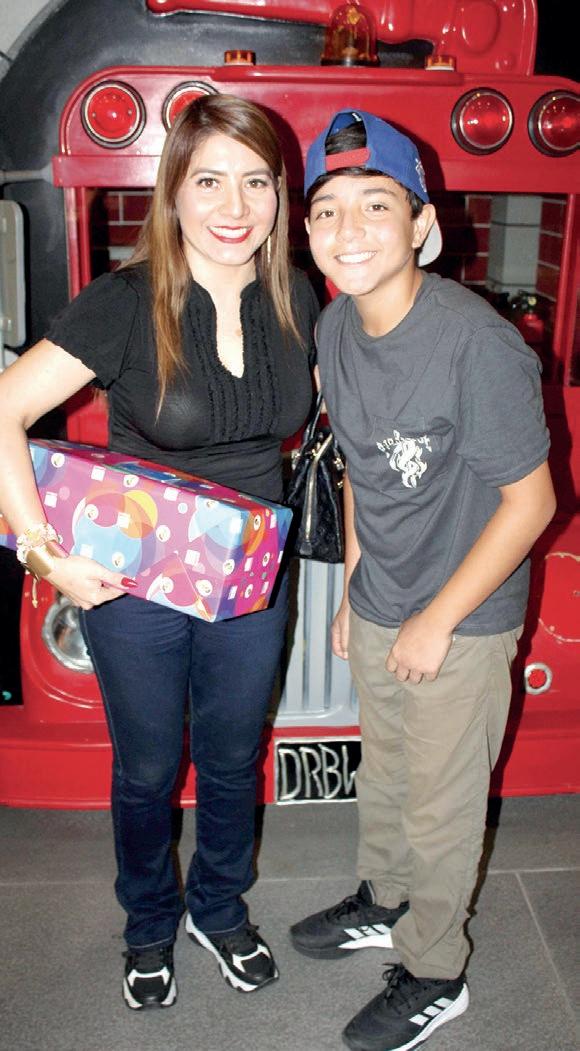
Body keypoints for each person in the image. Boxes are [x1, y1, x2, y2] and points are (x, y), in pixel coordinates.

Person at [0, 94, 318, 1010]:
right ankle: (148, 921)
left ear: (279, 192)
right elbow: (6, 410)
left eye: (255, 181)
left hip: (252, 575)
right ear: (172, 190)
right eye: (209, 180)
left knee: (232, 757)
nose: (235, 205)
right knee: (146, 768)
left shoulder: (296, 294)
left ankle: (218, 906)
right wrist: (43, 555)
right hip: (135, 581)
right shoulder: (126, 301)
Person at [290, 109, 556, 1051]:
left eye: (376, 204)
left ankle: (437, 970)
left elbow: (531, 502)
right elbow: (359, 464)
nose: (350, 229)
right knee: (388, 770)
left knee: (443, 804)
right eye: (328, 209)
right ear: (308, 229)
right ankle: (386, 898)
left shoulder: (476, 345)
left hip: (464, 613)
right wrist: (354, 588)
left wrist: (437, 619)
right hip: (383, 598)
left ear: (421, 224)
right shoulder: (334, 325)